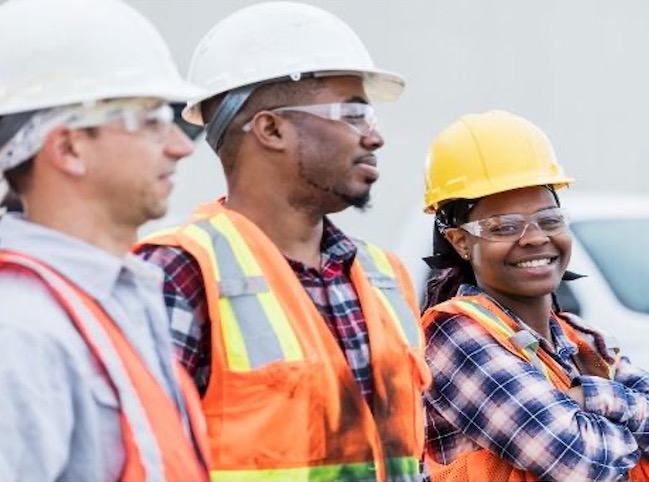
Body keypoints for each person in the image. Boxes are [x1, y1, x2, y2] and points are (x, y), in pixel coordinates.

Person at [136, 2, 430, 481]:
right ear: (271, 128)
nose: (374, 137)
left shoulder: (385, 277)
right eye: (353, 113)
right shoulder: (181, 273)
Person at [0, 0, 210, 480]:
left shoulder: (117, 300)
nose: (180, 147)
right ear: (69, 148)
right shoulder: (20, 329)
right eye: (152, 121)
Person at [420, 110, 649, 482]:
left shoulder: (580, 338)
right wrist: (640, 432)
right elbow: (579, 461)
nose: (535, 237)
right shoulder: (454, 335)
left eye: (550, 220)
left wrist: (595, 397)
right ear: (460, 241)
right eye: (504, 227)